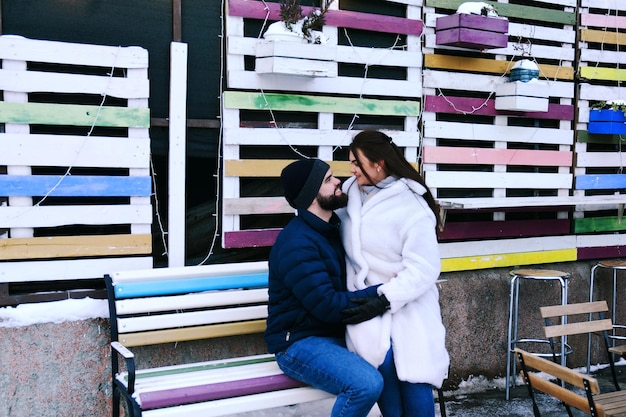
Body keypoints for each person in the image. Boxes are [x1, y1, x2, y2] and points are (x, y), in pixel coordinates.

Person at [337, 130, 450, 417]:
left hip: (408, 304)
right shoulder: (351, 193)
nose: (351, 169)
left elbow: (424, 269)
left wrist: (386, 298)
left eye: (357, 163)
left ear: (379, 163)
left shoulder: (411, 205)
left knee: (413, 377)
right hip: (367, 306)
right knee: (383, 368)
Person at [264, 158, 384, 417]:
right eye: (328, 180)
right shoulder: (297, 243)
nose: (338, 181)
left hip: (331, 334)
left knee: (392, 360)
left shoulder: (328, 230)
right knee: (365, 384)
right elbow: (328, 306)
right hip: (298, 344)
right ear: (311, 194)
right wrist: (384, 294)